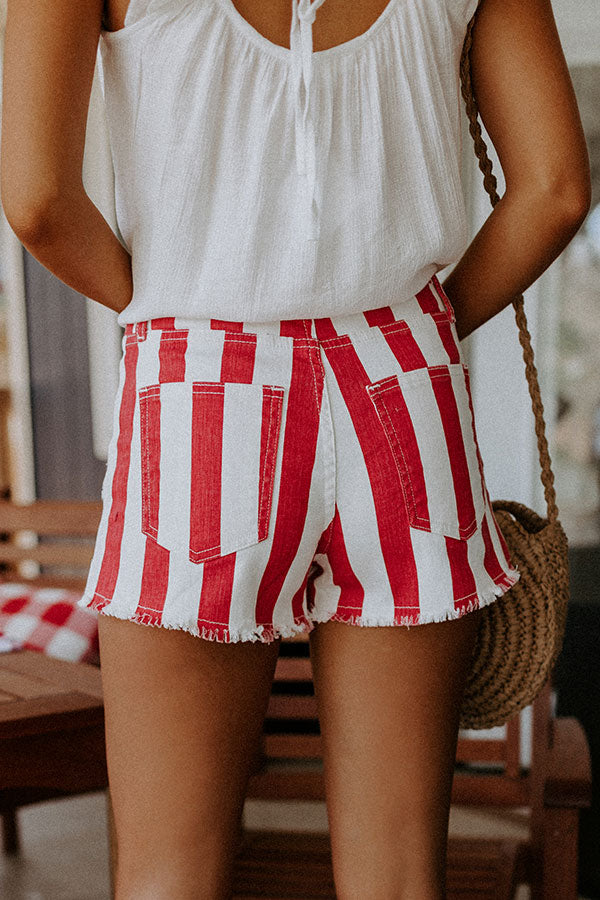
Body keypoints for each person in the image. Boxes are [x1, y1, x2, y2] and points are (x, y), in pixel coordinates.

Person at [0, 0, 591, 897]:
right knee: (397, 878)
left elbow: (39, 200)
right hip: (403, 387)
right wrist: (410, 343)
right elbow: (555, 188)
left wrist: (171, 317)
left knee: (169, 874)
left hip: (199, 379)